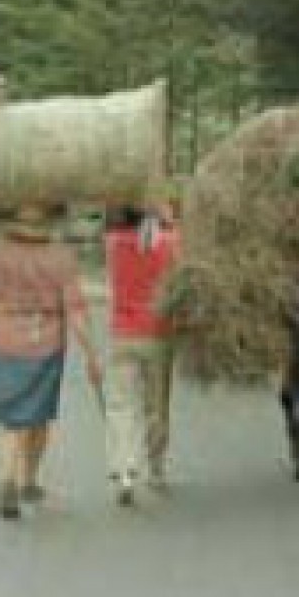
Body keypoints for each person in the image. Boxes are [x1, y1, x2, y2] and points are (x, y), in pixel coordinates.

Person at [0, 201, 103, 521]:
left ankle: (7, 478)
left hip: (3, 341)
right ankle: (28, 481)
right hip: (44, 345)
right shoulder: (61, 257)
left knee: (12, 419)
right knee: (37, 416)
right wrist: (91, 354)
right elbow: (76, 309)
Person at [102, 198, 180, 506]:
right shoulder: (170, 243)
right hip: (158, 334)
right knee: (156, 405)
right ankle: (156, 468)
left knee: (121, 405)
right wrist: (166, 219)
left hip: (123, 334)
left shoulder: (113, 244)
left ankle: (124, 471)